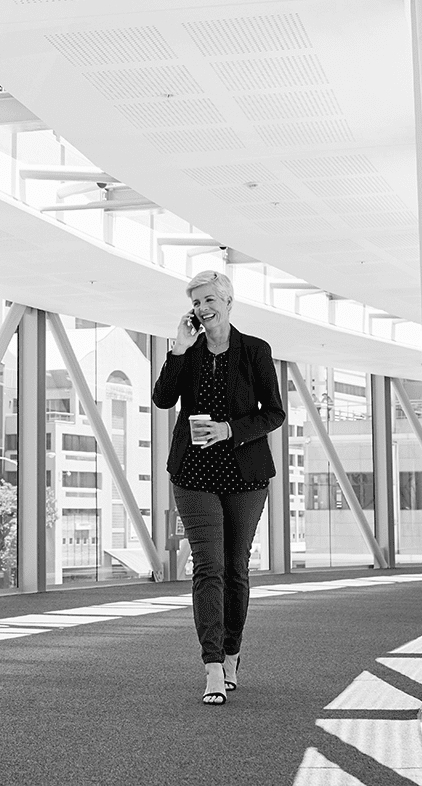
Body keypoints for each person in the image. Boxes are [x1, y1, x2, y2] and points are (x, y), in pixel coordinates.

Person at [152, 270, 285, 705]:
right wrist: (178, 350)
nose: (203, 308)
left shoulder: (255, 351)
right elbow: (163, 399)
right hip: (193, 474)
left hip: (245, 475)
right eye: (197, 302)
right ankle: (212, 667)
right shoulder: (187, 351)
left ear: (228, 302)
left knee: (235, 568)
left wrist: (230, 429)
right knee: (208, 566)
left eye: (210, 300)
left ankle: (232, 652)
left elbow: (274, 414)